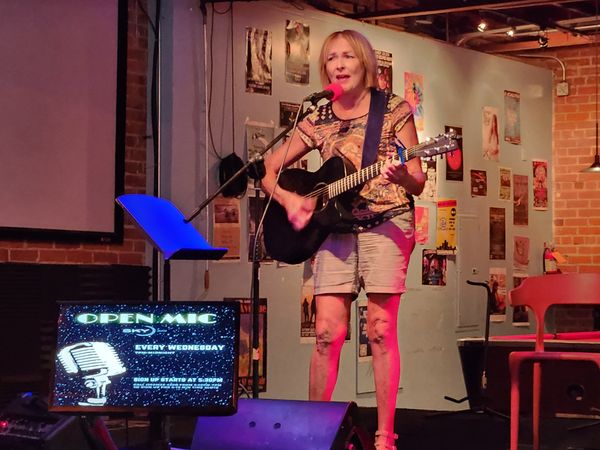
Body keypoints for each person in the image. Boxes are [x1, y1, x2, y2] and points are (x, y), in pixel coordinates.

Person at [261, 30, 425, 450]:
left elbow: (418, 180)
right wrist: (291, 200)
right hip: (334, 228)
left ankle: (385, 436)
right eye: (331, 58)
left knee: (381, 330)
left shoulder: (394, 109)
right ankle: (315, 433)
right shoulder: (317, 117)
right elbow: (269, 170)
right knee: (325, 333)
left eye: (347, 56)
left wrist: (401, 176)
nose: (339, 64)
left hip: (386, 221)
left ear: (364, 62)